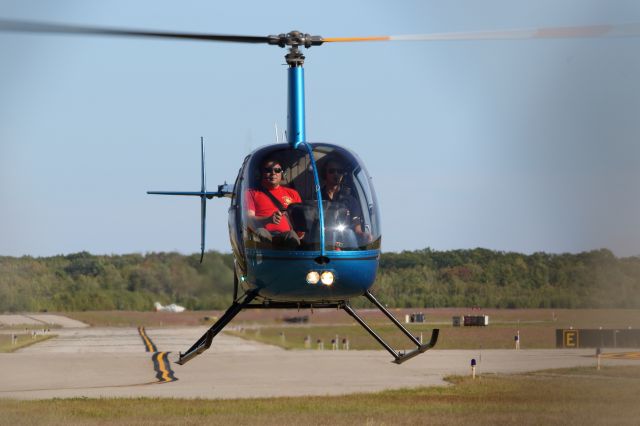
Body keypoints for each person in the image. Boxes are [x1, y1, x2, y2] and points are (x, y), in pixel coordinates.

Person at [245, 157, 302, 248]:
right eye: (268, 170)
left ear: (282, 174)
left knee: (292, 236)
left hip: (285, 235)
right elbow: (249, 219)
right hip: (265, 234)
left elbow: (301, 220)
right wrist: (268, 219)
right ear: (260, 174)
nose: (273, 173)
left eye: (277, 170)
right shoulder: (251, 193)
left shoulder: (292, 194)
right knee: (261, 233)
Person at [321, 159, 372, 245]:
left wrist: (363, 235)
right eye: (332, 171)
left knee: (349, 233)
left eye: (339, 171)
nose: (336, 174)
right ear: (324, 174)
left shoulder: (351, 200)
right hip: (323, 242)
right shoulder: (317, 197)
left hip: (345, 242)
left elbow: (357, 229)